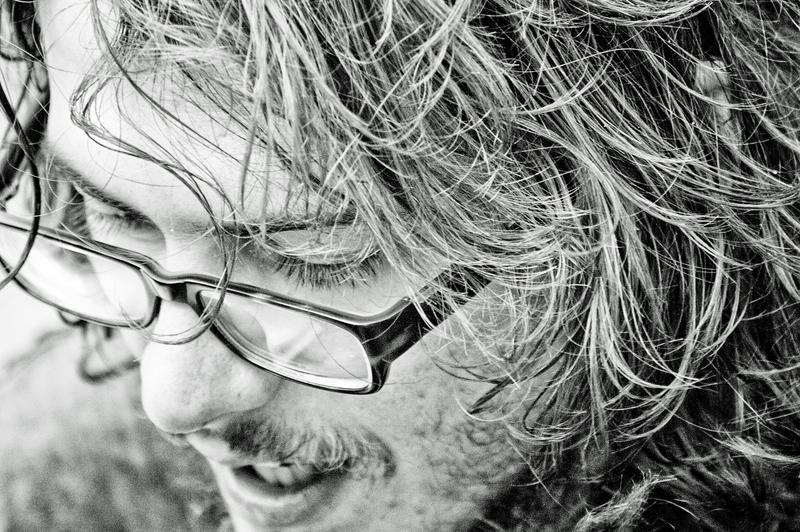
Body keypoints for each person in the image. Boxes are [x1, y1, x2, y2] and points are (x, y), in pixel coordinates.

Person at [1, 0, 799, 530]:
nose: (173, 400)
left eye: (314, 257)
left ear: (687, 177)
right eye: (117, 215)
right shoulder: (60, 489)